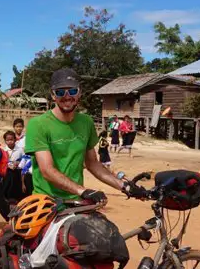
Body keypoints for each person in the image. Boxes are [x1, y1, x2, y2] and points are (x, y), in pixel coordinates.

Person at [25, 68, 125, 204]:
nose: (67, 97)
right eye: (60, 92)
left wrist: (124, 186)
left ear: (80, 93)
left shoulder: (86, 122)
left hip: (76, 201)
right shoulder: (37, 124)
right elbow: (47, 170)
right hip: (46, 203)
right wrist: (82, 191)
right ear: (53, 95)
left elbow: (92, 163)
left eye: (72, 91)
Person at [2, 130, 25, 205]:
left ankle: (17, 200)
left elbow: (24, 158)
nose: (10, 142)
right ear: (5, 141)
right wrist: (8, 165)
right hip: (7, 171)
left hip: (17, 171)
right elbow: (2, 161)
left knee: (16, 186)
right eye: (7, 140)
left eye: (11, 139)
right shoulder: (3, 150)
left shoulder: (20, 149)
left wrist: (18, 163)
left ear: (15, 140)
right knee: (7, 186)